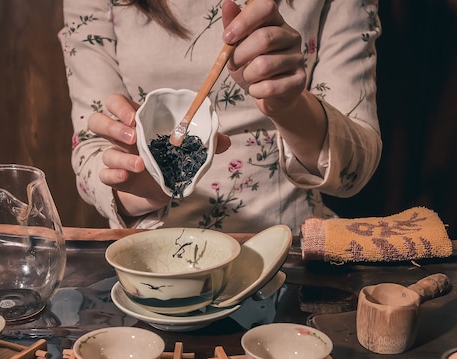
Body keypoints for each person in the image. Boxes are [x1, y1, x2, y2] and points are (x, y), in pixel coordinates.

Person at [59, 0, 382, 234]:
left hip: (287, 245)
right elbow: (90, 151)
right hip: (152, 257)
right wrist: (145, 179)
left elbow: (356, 170)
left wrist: (289, 106)